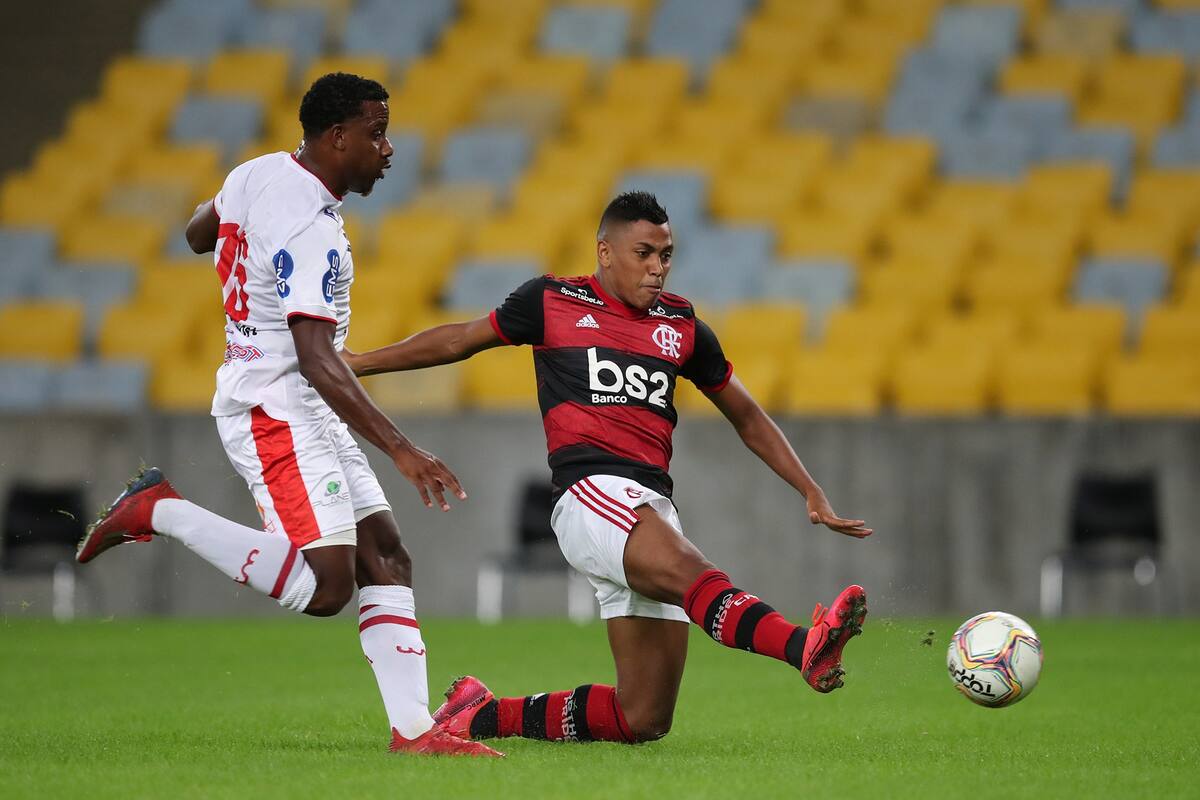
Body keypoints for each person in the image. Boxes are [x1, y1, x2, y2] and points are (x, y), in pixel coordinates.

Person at [342, 191, 873, 745]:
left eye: (666, 255)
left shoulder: (682, 325)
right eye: (644, 253)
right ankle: (801, 647)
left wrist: (810, 489)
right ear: (605, 251)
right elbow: (459, 339)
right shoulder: (551, 301)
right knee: (697, 576)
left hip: (648, 506)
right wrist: (360, 363)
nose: (657, 268)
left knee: (642, 718)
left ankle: (480, 712)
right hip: (590, 494)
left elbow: (745, 413)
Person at [75, 73, 500, 758]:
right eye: (376, 133)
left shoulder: (259, 172)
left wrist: (246, 245)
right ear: (337, 137)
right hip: (276, 406)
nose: (388, 149)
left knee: (386, 556)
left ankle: (416, 732)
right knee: (329, 586)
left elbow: (195, 233)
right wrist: (400, 447)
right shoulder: (311, 228)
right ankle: (159, 510)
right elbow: (315, 358)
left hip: (295, 399)